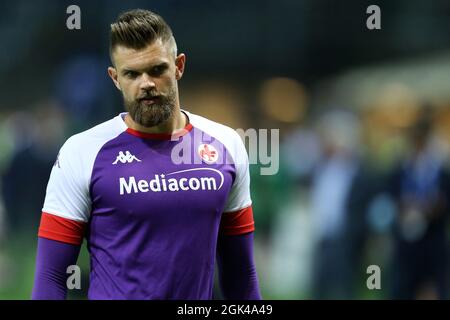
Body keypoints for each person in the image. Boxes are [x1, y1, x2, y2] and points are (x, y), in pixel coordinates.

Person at [32, 9, 261, 300]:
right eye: (132, 74)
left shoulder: (226, 145)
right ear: (115, 78)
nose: (146, 84)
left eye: (156, 70)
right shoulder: (82, 152)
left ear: (178, 66)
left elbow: (241, 274)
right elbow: (51, 277)